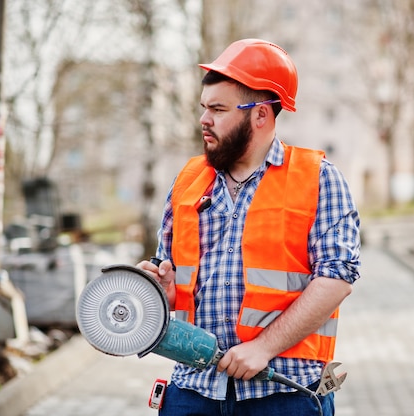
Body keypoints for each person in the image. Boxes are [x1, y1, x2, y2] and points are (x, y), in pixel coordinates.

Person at [137, 38, 361, 416]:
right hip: (193, 392)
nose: (204, 120)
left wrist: (263, 348)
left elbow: (337, 278)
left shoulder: (318, 180)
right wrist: (163, 291)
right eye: (203, 108)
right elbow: (173, 273)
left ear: (260, 114)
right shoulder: (187, 181)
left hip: (283, 392)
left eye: (218, 109)